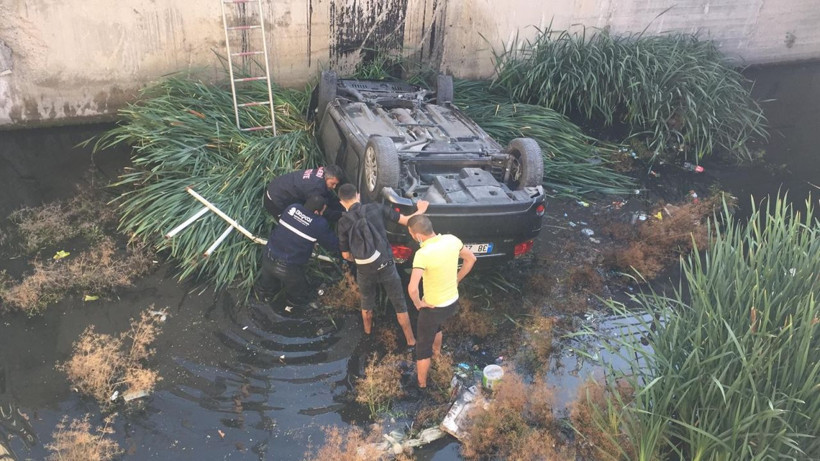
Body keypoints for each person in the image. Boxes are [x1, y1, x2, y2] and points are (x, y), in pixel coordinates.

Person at [337, 184, 428, 348]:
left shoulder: (343, 222)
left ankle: (367, 334)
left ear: (341, 202)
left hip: (364, 270)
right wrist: (421, 209)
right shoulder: (376, 208)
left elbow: (345, 255)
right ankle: (411, 341)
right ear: (358, 195)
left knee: (366, 302)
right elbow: (407, 221)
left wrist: (360, 260)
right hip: (386, 265)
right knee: (399, 303)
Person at [407, 215, 476, 391]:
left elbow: (413, 288)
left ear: (417, 235)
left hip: (433, 307)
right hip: (451, 302)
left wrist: (418, 304)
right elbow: (471, 259)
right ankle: (437, 354)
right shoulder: (452, 239)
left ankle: (422, 385)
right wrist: (457, 279)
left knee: (422, 348)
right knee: (436, 326)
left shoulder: (422, 254)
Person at [255, 195, 339, 313]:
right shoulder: (319, 223)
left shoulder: (292, 208)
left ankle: (262, 304)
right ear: (316, 211)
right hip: (288, 268)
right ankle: (292, 312)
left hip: (268, 256)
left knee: (265, 289)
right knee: (299, 297)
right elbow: (332, 245)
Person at [264, 165, 344, 221]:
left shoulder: (321, 173)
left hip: (278, 187)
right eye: (332, 183)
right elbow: (322, 209)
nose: (334, 187)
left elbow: (328, 197)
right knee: (290, 226)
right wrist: (342, 215)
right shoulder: (316, 187)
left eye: (336, 184)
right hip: (275, 200)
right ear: (326, 178)